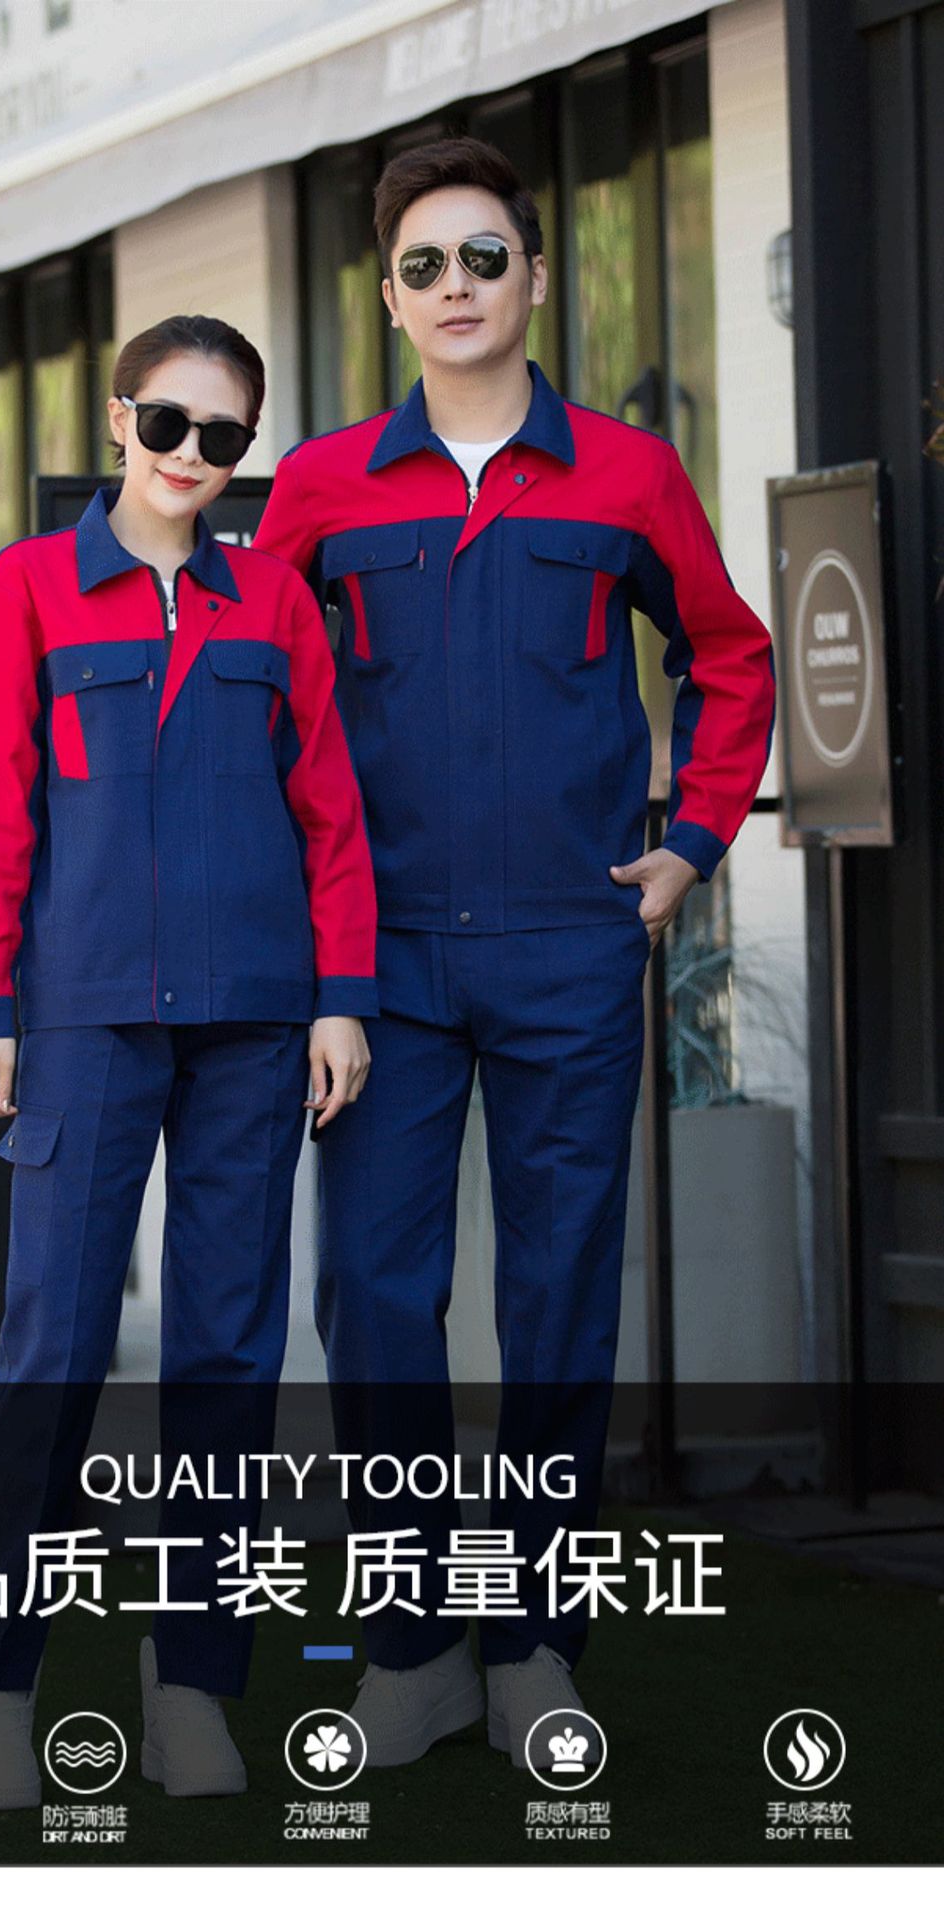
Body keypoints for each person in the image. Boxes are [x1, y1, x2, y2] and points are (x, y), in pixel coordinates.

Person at [255, 136, 776, 1769]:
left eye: (486, 256)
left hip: (568, 949)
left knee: (557, 1302)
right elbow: (253, 695)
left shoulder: (626, 476)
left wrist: (693, 843)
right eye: (425, 264)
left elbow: (731, 656)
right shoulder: (322, 489)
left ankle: (533, 1640)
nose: (458, 286)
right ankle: (412, 1651)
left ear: (536, 279)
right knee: (374, 1297)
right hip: (381, 963)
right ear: (390, 299)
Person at [0, 313, 377, 1806]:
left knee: (230, 1361)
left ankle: (194, 1680)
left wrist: (341, 997)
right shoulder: (30, 587)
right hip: (79, 1017)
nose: (193, 455)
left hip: (256, 1019)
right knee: (53, 1351)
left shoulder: (276, 604)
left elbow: (330, 811)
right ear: (120, 418)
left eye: (225, 436)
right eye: (170, 423)